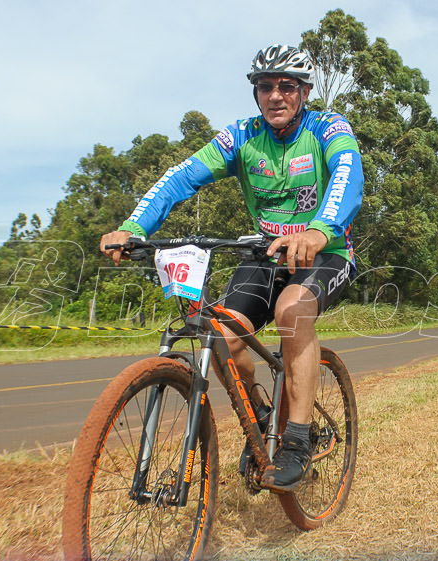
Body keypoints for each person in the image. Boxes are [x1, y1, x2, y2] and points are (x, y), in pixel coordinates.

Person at [100, 44, 364, 492]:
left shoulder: (327, 127)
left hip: (326, 251)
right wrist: (133, 226)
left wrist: (320, 230)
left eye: (286, 87)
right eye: (265, 87)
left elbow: (347, 173)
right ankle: (261, 416)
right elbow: (181, 177)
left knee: (291, 312)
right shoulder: (241, 136)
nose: (275, 96)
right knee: (222, 334)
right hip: (266, 253)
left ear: (303, 92)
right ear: (256, 94)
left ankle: (297, 440)